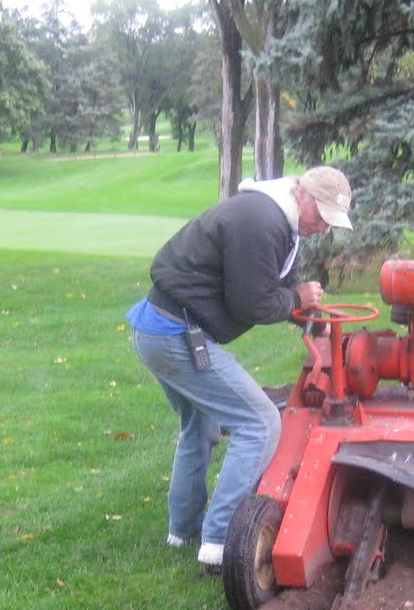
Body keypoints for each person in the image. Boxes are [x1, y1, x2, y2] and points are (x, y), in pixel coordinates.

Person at [125, 166, 353, 570]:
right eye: (321, 217)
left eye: (329, 223)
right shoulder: (261, 222)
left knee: (199, 426)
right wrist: (296, 298)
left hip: (161, 328)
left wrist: (309, 317)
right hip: (175, 334)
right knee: (261, 423)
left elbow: (280, 285)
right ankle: (218, 541)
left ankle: (182, 531)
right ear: (303, 195)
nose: (322, 228)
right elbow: (252, 303)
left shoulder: (283, 224)